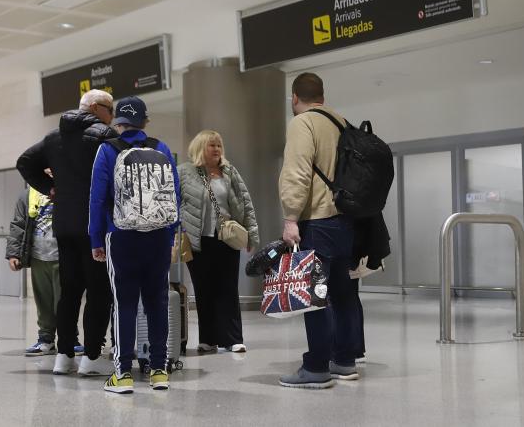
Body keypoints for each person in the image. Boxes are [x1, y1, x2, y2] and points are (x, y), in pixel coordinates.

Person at [17, 89, 116, 376]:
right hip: (95, 226)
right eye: (110, 110)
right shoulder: (104, 136)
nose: (112, 117)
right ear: (96, 108)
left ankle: (64, 356)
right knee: (98, 291)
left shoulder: (53, 137)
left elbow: (24, 162)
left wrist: (50, 188)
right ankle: (92, 357)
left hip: (64, 225)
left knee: (69, 291)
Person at [277, 72, 365, 389]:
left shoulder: (303, 123)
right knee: (343, 294)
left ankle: (316, 367)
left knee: (314, 296)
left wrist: (290, 217)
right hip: (345, 221)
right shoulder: (342, 123)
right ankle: (344, 360)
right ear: (322, 97)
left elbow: (297, 172)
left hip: (317, 220)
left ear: (294, 98)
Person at [89, 96, 180, 394]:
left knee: (124, 304)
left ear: (118, 123)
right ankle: (159, 372)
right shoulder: (161, 148)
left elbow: (97, 198)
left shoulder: (107, 150)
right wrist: (170, 235)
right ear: (145, 122)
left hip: (121, 236)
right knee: (157, 303)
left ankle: (123, 374)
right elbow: (175, 195)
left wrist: (96, 238)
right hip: (158, 236)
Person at [178, 130, 260, 354]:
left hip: (227, 239)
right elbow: (175, 203)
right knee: (203, 289)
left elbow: (246, 204)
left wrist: (252, 235)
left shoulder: (229, 172)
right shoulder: (184, 172)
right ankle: (208, 339)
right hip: (197, 240)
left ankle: (233, 339)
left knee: (228, 288)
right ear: (200, 147)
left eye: (219, 145)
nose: (216, 149)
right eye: (211, 145)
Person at [5, 184, 84, 357]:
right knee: (43, 301)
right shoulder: (28, 195)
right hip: (38, 256)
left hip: (63, 256)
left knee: (65, 300)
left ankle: (70, 338)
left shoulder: (68, 189)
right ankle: (46, 338)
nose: (48, 171)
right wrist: (13, 254)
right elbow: (18, 225)